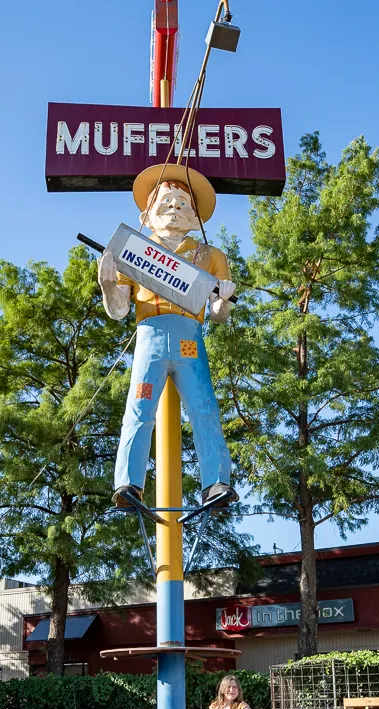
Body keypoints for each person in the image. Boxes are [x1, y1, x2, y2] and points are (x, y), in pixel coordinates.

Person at [96, 163, 238, 510]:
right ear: (146, 214)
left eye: (183, 203)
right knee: (140, 406)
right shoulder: (135, 251)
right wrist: (108, 285)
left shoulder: (210, 256)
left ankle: (216, 482)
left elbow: (219, 314)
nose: (174, 207)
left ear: (195, 218)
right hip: (149, 338)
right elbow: (118, 310)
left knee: (204, 407)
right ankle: (128, 483)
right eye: (165, 201)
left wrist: (223, 302)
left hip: (190, 338)